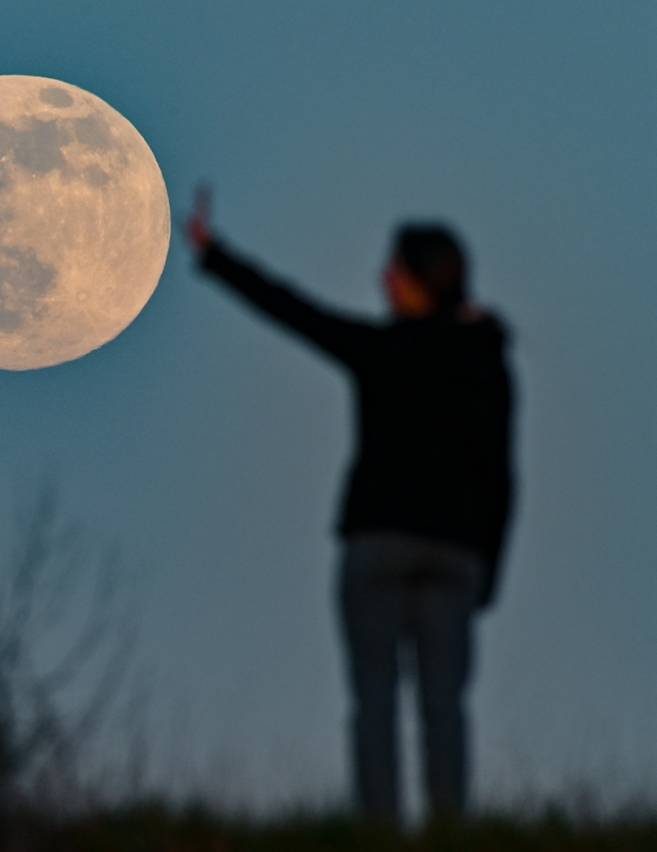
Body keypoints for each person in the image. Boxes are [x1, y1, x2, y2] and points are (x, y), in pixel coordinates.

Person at [187, 191, 513, 824]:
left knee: (374, 700)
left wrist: (216, 257)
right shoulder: (487, 362)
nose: (383, 279)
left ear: (421, 281)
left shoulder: (383, 350)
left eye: (395, 269)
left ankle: (380, 833)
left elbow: (295, 312)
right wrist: (489, 567)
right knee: (445, 707)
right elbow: (501, 476)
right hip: (457, 553)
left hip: (378, 545)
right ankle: (450, 833)